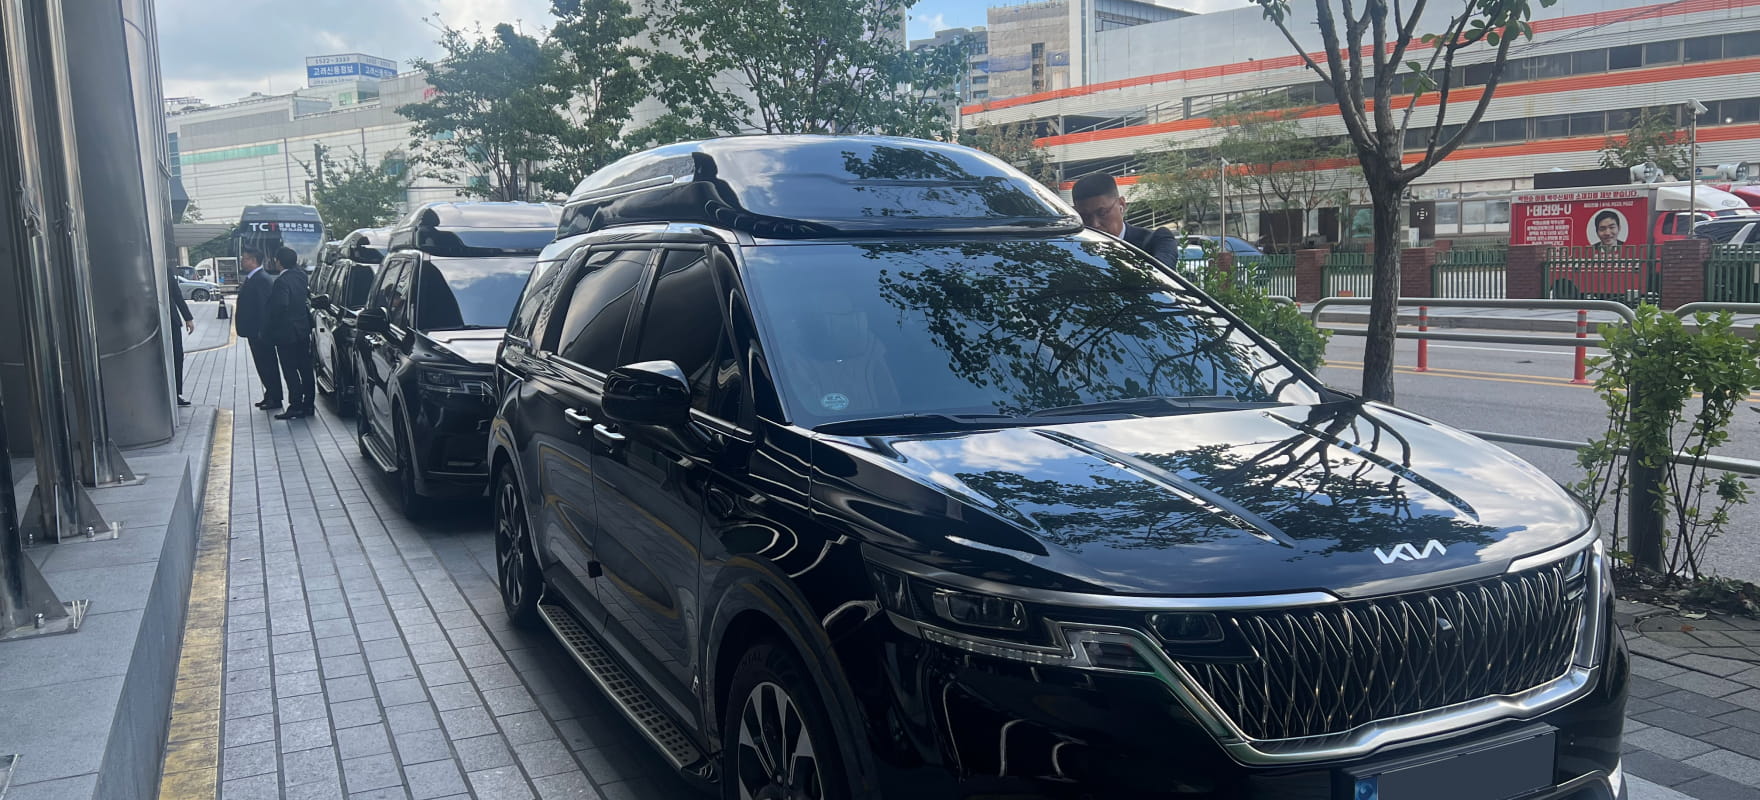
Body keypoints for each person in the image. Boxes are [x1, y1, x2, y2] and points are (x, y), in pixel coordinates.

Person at [1070, 173, 1182, 266]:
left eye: (1102, 213)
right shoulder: (1073, 250)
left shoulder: (1155, 241)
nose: (1095, 224)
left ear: (1121, 204)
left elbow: (1161, 277)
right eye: (1085, 217)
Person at [265, 246, 315, 420]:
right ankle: (309, 404)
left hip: (286, 333)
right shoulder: (301, 276)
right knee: (306, 368)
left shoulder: (282, 281)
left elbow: (280, 305)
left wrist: (271, 324)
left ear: (279, 262)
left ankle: (295, 405)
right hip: (302, 329)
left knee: (290, 370)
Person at [233, 246, 282, 410]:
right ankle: (270, 393)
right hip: (254, 331)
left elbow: (263, 307)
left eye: (244, 258)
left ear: (253, 260)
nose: (242, 261)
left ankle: (275, 397)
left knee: (267, 364)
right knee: (262, 364)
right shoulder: (253, 277)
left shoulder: (261, 279)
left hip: (260, 332)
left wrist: (263, 330)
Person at [168, 275, 195, 406]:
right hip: (150, 323)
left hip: (172, 321)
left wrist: (188, 318)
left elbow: (177, 296)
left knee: (177, 356)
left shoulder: (166, 271)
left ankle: (176, 393)